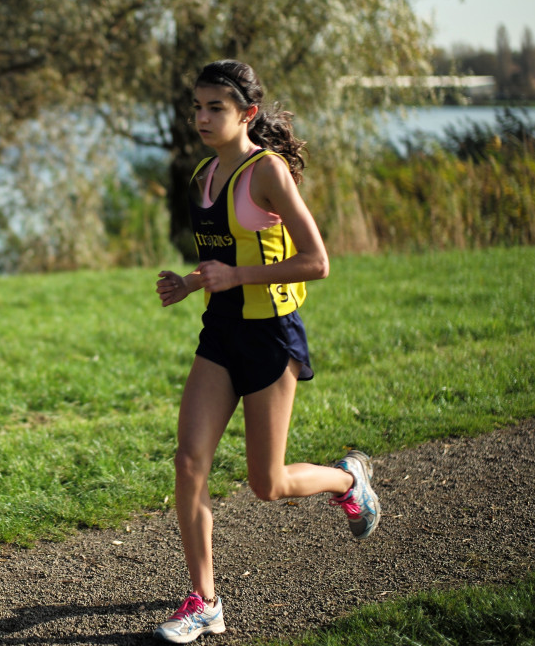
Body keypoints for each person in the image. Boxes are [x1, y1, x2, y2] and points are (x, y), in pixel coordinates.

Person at [152, 60, 380, 643]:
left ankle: (347, 480)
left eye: (215, 109)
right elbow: (223, 262)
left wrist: (234, 276)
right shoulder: (201, 176)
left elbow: (317, 262)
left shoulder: (267, 172)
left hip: (271, 334)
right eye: (197, 107)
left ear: (246, 114)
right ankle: (204, 602)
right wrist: (192, 283)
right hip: (220, 330)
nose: (201, 118)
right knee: (188, 462)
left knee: (267, 483)